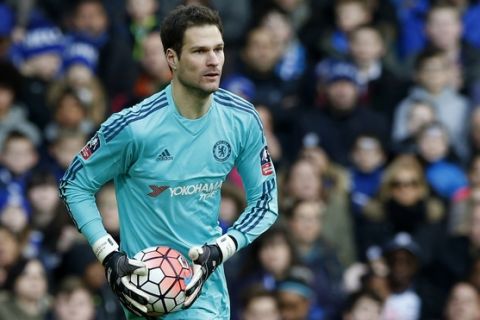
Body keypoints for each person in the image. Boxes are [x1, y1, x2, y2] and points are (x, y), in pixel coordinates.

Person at [59, 5, 278, 320]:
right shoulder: (134, 128)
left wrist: (221, 249)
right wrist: (108, 254)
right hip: (145, 294)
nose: (213, 60)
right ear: (172, 58)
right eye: (200, 51)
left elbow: (266, 201)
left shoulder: (241, 119)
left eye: (218, 49)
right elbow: (74, 184)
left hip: (206, 295)